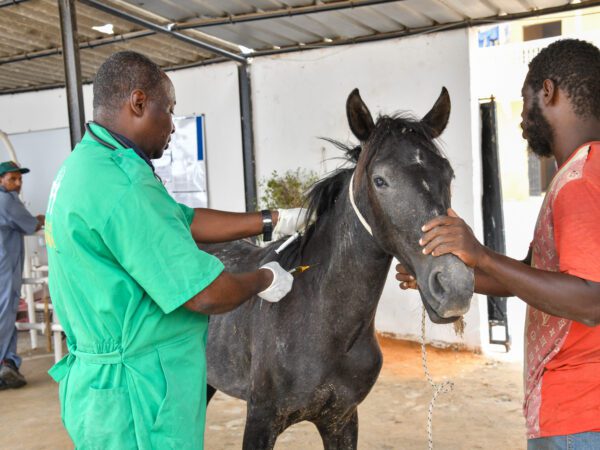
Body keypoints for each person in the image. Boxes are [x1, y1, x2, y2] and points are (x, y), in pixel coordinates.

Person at [45, 51, 308, 448]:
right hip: (136, 397)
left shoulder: (88, 165)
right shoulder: (123, 186)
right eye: (168, 110)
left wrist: (275, 219)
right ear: (137, 102)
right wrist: (264, 277)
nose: (172, 125)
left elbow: (181, 220)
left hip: (99, 391)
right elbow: (206, 295)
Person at [396, 39, 600, 448]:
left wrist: (481, 252)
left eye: (524, 101)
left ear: (548, 91)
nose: (521, 118)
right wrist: (455, 269)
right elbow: (530, 277)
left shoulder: (580, 181)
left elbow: (591, 302)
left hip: (580, 416)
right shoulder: (578, 173)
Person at [0, 161, 44, 390]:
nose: (17, 184)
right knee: (5, 314)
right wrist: (40, 220)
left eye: (19, 179)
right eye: (12, 179)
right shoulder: (6, 201)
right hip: (4, 266)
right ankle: (4, 364)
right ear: (0, 180)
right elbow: (30, 225)